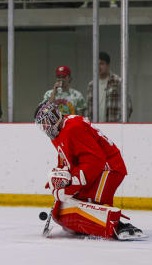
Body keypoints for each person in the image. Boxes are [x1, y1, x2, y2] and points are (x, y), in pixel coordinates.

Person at [33, 100, 144, 240]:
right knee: (77, 201)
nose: (44, 128)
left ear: (52, 118)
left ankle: (120, 226)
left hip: (109, 167)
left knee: (91, 203)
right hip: (96, 167)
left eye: (44, 123)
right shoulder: (58, 134)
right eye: (41, 125)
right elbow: (66, 159)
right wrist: (58, 179)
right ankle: (93, 224)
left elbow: (95, 161)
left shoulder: (73, 128)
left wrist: (71, 184)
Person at [86, 52, 133, 122]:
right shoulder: (91, 85)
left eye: (101, 64)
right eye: (96, 64)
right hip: (95, 127)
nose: (98, 67)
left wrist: (120, 124)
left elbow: (128, 106)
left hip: (113, 126)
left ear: (108, 65)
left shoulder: (118, 82)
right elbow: (88, 108)